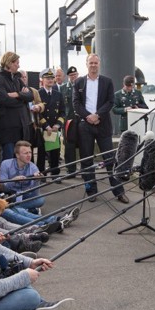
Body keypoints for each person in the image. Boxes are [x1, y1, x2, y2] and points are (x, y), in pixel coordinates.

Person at [72, 53, 129, 204]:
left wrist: (97, 115)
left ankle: (118, 191)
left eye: (96, 63)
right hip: (85, 126)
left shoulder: (107, 82)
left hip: (102, 125)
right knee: (86, 160)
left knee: (110, 159)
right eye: (91, 63)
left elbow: (110, 102)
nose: (93, 65)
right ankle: (91, 190)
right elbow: (76, 103)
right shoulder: (79, 82)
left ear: (99, 65)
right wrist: (88, 117)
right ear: (86, 64)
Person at [0, 52, 34, 161]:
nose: (18, 66)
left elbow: (30, 95)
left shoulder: (17, 79)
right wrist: (22, 100)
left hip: (22, 128)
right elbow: (5, 100)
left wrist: (18, 94)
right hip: (8, 129)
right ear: (9, 63)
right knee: (9, 160)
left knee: (22, 161)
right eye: (17, 63)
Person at [36, 68, 66, 180]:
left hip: (54, 128)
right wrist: (46, 126)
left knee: (55, 152)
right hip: (43, 128)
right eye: (47, 78)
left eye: (52, 78)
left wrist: (57, 125)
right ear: (42, 80)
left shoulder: (58, 95)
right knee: (41, 153)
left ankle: (55, 174)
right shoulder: (38, 94)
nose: (50, 80)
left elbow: (63, 112)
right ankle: (42, 174)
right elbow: (37, 114)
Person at [61, 66, 80, 176]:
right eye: (71, 75)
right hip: (69, 120)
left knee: (84, 145)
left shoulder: (82, 85)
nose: (74, 77)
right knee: (69, 146)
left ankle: (85, 168)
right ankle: (71, 169)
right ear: (68, 77)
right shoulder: (63, 88)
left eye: (75, 75)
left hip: (81, 119)